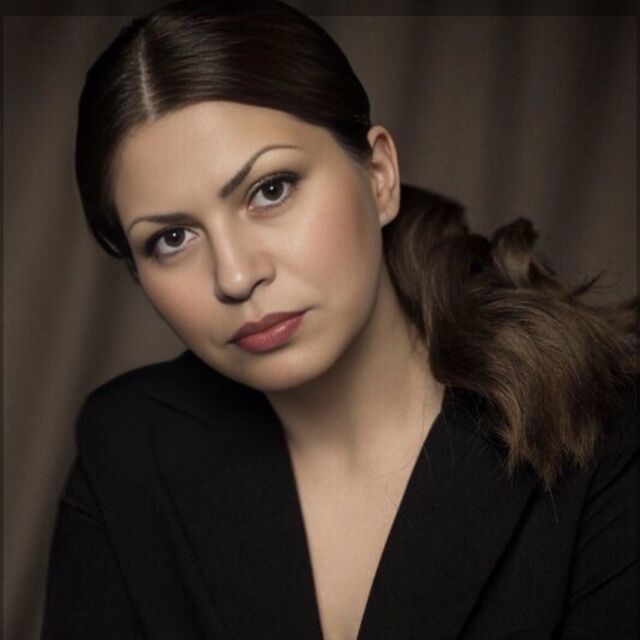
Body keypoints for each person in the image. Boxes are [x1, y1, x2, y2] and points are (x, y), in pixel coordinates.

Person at [41, 1, 638, 639]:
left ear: (379, 176)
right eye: (172, 238)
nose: (236, 277)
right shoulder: (128, 451)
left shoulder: (599, 424)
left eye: (270, 190)